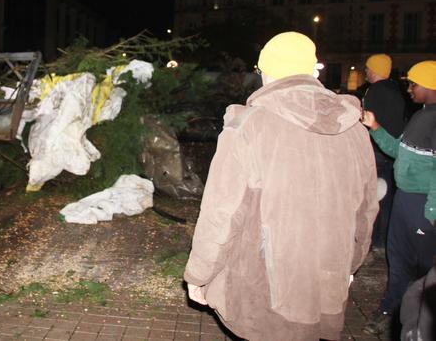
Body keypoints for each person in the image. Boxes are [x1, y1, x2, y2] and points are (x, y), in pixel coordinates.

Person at [184, 31, 378, 341]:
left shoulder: (248, 127)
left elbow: (221, 212)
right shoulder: (354, 130)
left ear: (267, 72)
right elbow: (366, 211)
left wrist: (199, 274)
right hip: (327, 278)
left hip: (262, 285)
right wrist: (349, 266)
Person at [362, 60, 436, 335]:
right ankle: (390, 308)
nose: (409, 89)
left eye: (413, 84)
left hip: (423, 204)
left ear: (430, 86)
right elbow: (397, 151)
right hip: (405, 200)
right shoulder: (420, 116)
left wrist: (432, 211)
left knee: (423, 268)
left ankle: (423, 321)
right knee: (398, 259)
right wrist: (376, 127)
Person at [363, 54, 406, 252]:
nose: (365, 72)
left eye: (367, 68)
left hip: (376, 150)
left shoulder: (375, 92)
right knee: (387, 196)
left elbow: (368, 122)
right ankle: (383, 240)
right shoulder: (396, 90)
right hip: (391, 150)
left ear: (374, 70)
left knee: (373, 197)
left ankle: (373, 239)